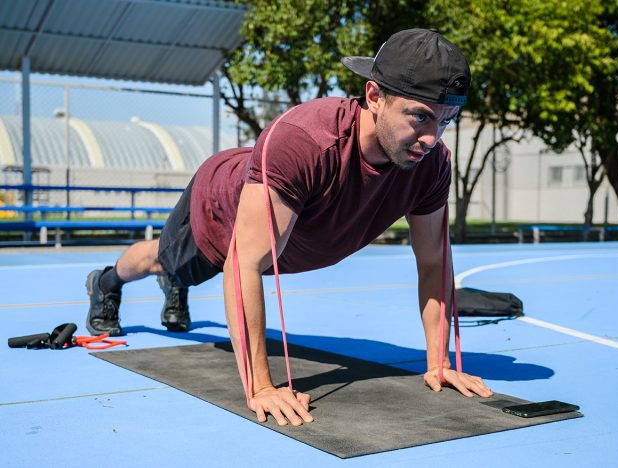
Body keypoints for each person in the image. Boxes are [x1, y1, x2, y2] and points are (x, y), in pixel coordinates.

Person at [85, 28, 493, 427]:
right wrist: (261, 387)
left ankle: (175, 287)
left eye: (445, 120)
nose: (430, 137)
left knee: (206, 267)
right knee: (165, 261)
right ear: (374, 96)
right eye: (419, 116)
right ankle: (106, 283)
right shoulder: (305, 141)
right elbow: (244, 263)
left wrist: (438, 362)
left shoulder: (431, 164)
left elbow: (434, 262)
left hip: (278, 224)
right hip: (219, 208)